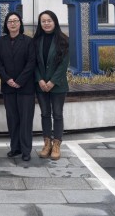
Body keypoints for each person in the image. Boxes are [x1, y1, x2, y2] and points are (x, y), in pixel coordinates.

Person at [0, 11, 36, 161]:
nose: (12, 23)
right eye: (10, 21)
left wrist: (19, 80)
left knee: (25, 120)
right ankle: (15, 148)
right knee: (12, 119)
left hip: (26, 87)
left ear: (20, 23)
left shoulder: (28, 41)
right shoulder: (1, 41)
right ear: (6, 25)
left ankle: (26, 150)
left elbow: (31, 63)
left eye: (15, 21)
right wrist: (7, 79)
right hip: (8, 87)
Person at [33, 10, 69, 161]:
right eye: (43, 21)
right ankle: (47, 143)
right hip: (41, 85)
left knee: (58, 114)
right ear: (40, 23)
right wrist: (40, 80)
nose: (46, 23)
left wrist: (52, 81)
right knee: (45, 114)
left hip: (58, 85)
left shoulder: (63, 40)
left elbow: (63, 64)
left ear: (55, 22)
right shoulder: (36, 40)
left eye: (49, 20)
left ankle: (56, 145)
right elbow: (33, 62)